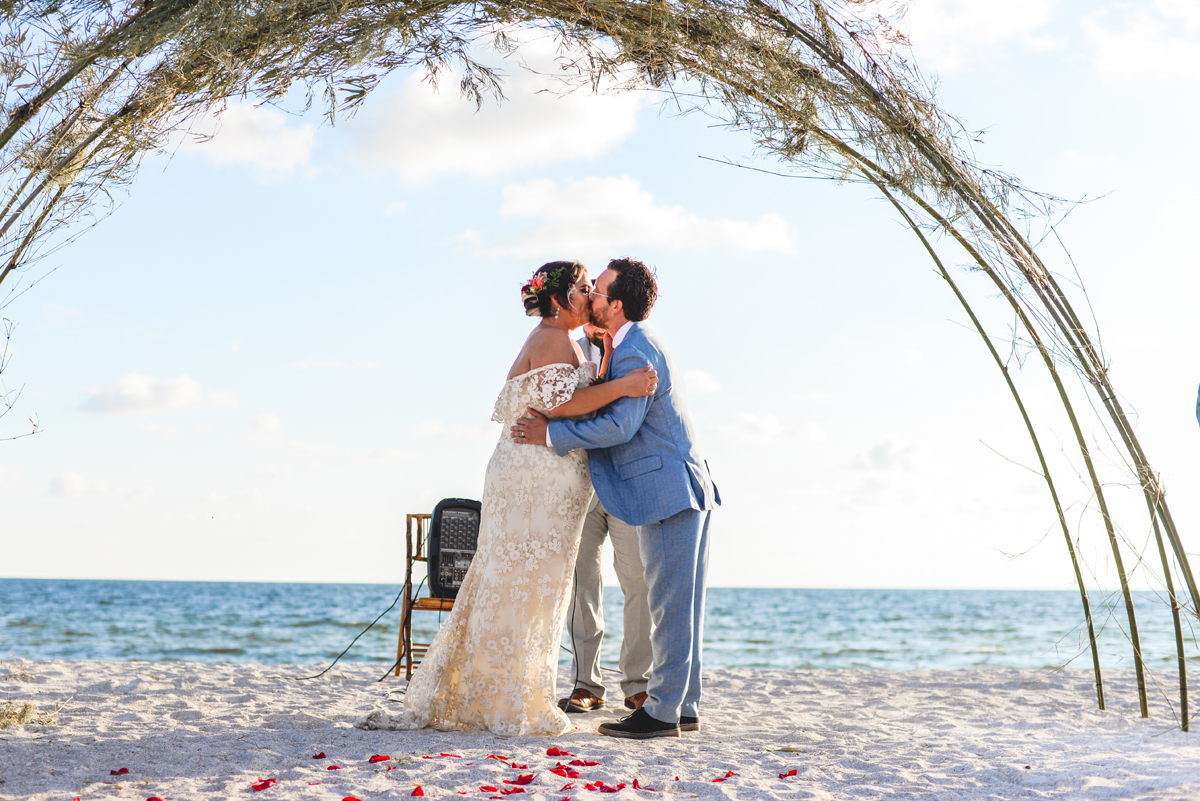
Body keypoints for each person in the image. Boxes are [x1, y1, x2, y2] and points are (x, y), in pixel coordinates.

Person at [356, 260, 657, 737]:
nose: (588, 296)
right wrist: (624, 385)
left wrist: (602, 363)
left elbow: (573, 397)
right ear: (558, 300)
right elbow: (563, 406)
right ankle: (508, 695)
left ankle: (508, 689)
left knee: (538, 587)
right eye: (582, 289)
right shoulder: (551, 337)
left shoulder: (573, 340)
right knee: (521, 581)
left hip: (551, 478)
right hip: (532, 479)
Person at [512, 258, 719, 740]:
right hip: (683, 485)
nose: (592, 298)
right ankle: (684, 705)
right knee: (683, 605)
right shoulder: (629, 346)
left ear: (617, 304)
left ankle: (661, 713)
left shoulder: (633, 353)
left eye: (599, 292)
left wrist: (550, 432)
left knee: (669, 605)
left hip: (666, 490)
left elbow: (619, 426)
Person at [558, 324, 654, 715]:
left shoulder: (636, 351)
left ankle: (638, 683)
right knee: (582, 586)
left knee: (639, 583)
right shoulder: (570, 352)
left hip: (627, 483)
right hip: (579, 483)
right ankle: (586, 685)